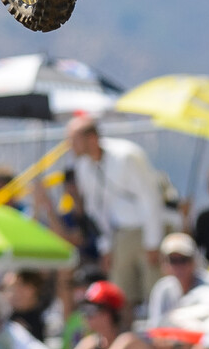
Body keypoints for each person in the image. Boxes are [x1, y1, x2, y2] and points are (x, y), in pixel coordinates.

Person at [63, 113, 174, 308]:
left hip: (148, 230)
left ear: (92, 138)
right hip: (121, 233)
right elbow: (96, 209)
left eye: (74, 139)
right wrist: (105, 247)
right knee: (122, 295)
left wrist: (153, 242)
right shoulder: (83, 166)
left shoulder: (126, 156)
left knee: (155, 291)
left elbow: (150, 198)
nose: (70, 145)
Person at [142, 232, 198, 332]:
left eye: (183, 260)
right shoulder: (162, 289)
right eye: (172, 260)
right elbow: (156, 329)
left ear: (193, 262)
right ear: (163, 264)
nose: (178, 267)